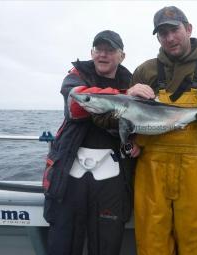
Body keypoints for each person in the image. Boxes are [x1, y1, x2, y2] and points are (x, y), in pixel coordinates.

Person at [127, 6, 197, 255]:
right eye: (162, 33)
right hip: (150, 168)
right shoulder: (145, 71)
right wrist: (130, 134)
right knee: (151, 239)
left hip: (194, 166)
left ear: (188, 29)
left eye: (174, 29)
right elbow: (127, 116)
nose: (169, 38)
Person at [42, 30, 140, 255]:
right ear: (92, 52)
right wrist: (125, 96)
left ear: (121, 56)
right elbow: (75, 105)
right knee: (63, 241)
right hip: (69, 172)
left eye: (110, 50)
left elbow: (134, 126)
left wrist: (134, 143)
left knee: (107, 242)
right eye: (99, 50)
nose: (103, 55)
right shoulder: (76, 75)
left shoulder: (133, 81)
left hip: (113, 174)